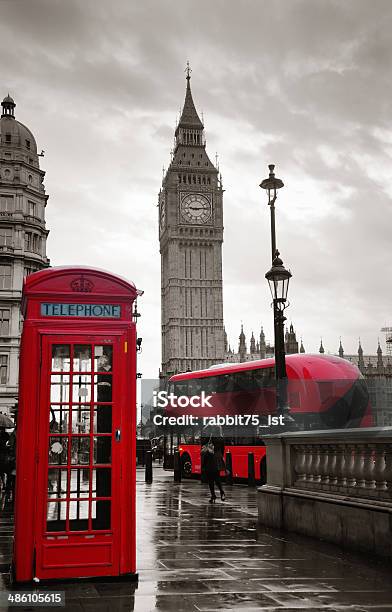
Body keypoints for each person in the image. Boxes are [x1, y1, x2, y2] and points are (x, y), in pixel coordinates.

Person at [201, 437, 226, 503]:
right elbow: (222, 450)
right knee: (216, 478)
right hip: (215, 460)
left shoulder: (208, 438)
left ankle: (214, 495)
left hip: (210, 460)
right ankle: (220, 492)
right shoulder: (220, 439)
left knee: (211, 479)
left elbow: (203, 448)